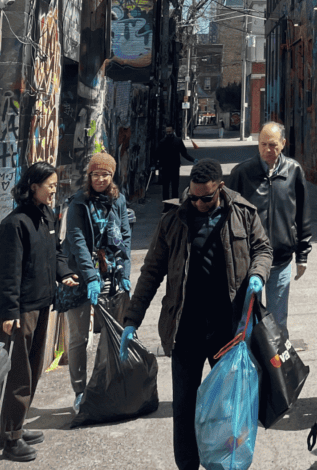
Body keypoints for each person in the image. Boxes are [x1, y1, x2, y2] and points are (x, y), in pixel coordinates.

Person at [119, 158, 273, 470]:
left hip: (227, 331)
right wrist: (132, 319)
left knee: (227, 407)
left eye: (207, 198)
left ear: (221, 188)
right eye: (194, 197)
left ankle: (224, 463)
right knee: (185, 406)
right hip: (185, 329)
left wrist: (258, 273)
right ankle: (187, 465)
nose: (199, 203)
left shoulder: (243, 213)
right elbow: (151, 272)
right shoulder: (173, 219)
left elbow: (263, 249)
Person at [0, 162, 77, 462]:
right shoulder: (14, 224)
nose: (54, 189)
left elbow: (55, 252)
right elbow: (7, 273)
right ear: (33, 187)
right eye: (50, 185)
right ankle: (10, 438)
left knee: (34, 367)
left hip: (43, 304)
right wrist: (8, 312)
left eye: (55, 184)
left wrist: (63, 273)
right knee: (19, 373)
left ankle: (18, 425)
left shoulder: (47, 215)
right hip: (21, 311)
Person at [60, 152, 132, 414]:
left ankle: (103, 385)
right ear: (88, 176)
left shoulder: (118, 200)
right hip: (80, 276)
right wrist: (90, 277)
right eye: (95, 174)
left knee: (110, 334)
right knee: (79, 337)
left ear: (112, 176)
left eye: (105, 174)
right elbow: (77, 242)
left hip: (110, 274)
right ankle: (79, 391)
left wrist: (125, 272)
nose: (100, 179)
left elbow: (125, 236)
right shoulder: (79, 203)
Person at [228, 121, 311, 337]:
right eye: (263, 144)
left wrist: (302, 255)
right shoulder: (242, 173)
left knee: (277, 325)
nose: (268, 150)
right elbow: (227, 218)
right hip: (248, 262)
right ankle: (252, 369)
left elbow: (302, 215)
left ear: (283, 143)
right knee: (246, 325)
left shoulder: (293, 171)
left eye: (273, 145)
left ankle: (276, 370)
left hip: (281, 261)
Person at [156, 126, 195, 201]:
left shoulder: (178, 141)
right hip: (166, 168)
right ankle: (167, 206)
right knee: (166, 188)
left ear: (173, 130)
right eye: (167, 132)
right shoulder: (162, 142)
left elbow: (184, 153)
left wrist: (192, 160)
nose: (168, 133)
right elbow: (157, 155)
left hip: (174, 167)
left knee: (174, 188)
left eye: (170, 131)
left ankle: (174, 205)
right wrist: (157, 164)